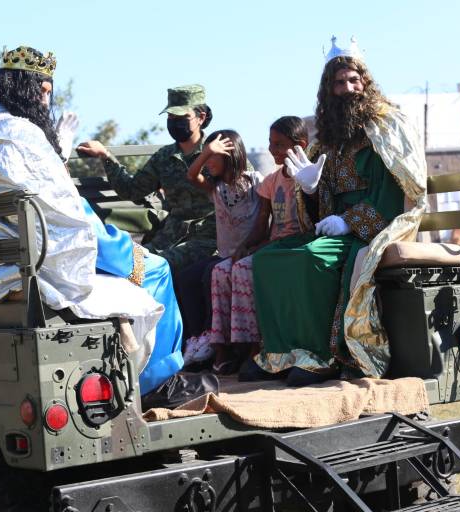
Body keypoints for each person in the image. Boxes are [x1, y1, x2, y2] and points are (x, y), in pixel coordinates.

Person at [0, 46, 214, 403]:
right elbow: (71, 218)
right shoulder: (21, 133)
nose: (45, 101)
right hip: (40, 268)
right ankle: (157, 383)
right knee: (156, 269)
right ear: (26, 87)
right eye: (45, 91)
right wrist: (131, 254)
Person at [250, 36, 427, 385]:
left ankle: (322, 355)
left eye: (352, 80)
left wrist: (349, 222)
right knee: (267, 258)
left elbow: (396, 191)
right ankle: (281, 353)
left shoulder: (386, 126)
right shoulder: (329, 136)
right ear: (327, 89)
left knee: (312, 259)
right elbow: (317, 200)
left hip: (372, 227)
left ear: (365, 81)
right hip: (333, 228)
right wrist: (310, 190)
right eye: (337, 82)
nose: (346, 88)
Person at [207, 117, 312, 375]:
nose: (272, 150)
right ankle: (223, 347)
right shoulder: (272, 181)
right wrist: (247, 246)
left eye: (279, 144)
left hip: (295, 245)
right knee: (221, 270)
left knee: (243, 270)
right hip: (274, 245)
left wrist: (258, 249)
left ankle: (254, 347)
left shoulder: (307, 178)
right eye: (270, 143)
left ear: (299, 145)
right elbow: (262, 222)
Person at [76, 84, 217, 273]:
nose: (174, 122)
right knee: (125, 264)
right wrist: (105, 156)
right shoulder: (164, 157)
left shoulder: (218, 153)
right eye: (170, 117)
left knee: (151, 268)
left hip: (207, 238)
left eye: (181, 117)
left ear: (201, 117)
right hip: (169, 237)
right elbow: (132, 190)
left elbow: (242, 195)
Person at [181, 130, 262, 372]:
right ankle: (206, 342)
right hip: (225, 255)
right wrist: (206, 151)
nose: (207, 163)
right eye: (206, 157)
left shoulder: (256, 182)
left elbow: (264, 219)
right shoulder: (216, 189)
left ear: (230, 155)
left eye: (213, 157)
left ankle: (242, 348)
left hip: (249, 252)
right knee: (187, 278)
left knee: (216, 275)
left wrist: (250, 246)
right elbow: (191, 174)